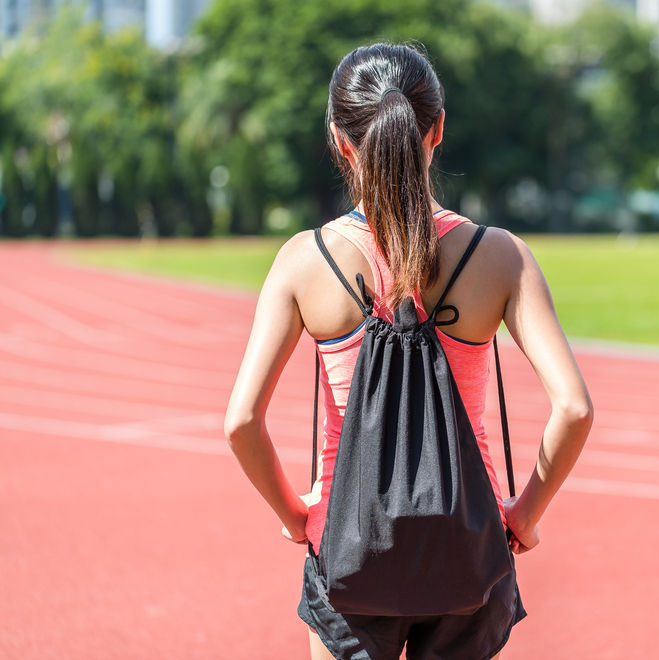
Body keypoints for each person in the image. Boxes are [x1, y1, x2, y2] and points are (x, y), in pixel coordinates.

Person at [223, 42, 593, 660]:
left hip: (349, 548)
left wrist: (295, 516)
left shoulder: (305, 261)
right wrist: (525, 514)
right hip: (467, 548)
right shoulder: (498, 256)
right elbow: (575, 410)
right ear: (438, 129)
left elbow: (240, 422)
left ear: (341, 141)